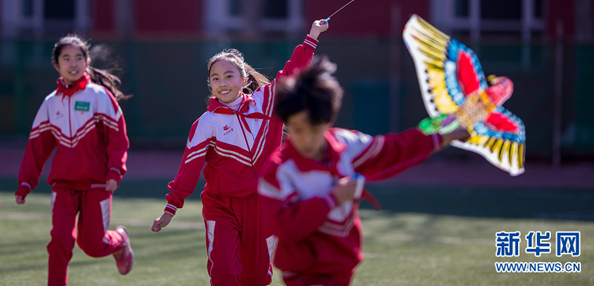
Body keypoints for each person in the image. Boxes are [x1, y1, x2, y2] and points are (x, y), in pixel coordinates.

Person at [257, 56, 470, 286]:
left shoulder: (345, 145)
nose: (307, 139)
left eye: (315, 129)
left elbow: (393, 150)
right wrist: (332, 199)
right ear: (287, 125)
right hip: (304, 274)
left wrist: (442, 137)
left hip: (342, 267)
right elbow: (286, 229)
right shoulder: (276, 173)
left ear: (329, 121)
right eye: (297, 130)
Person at [151, 19, 330, 286]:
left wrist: (312, 35)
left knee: (256, 278)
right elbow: (189, 169)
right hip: (221, 205)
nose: (222, 83)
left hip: (263, 205)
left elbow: (293, 72)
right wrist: (171, 206)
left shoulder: (268, 101)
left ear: (244, 79)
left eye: (228, 76)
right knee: (224, 274)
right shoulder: (205, 124)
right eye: (215, 78)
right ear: (209, 85)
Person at [14, 34, 134, 286]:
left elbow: (118, 138)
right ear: (56, 65)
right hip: (63, 185)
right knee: (59, 241)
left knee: (91, 245)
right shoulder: (50, 103)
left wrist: (115, 171)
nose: (73, 63)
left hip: (98, 184)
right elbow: (37, 146)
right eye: (66, 58)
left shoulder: (99, 97)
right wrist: (26, 182)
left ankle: (119, 242)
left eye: (79, 58)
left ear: (87, 61)